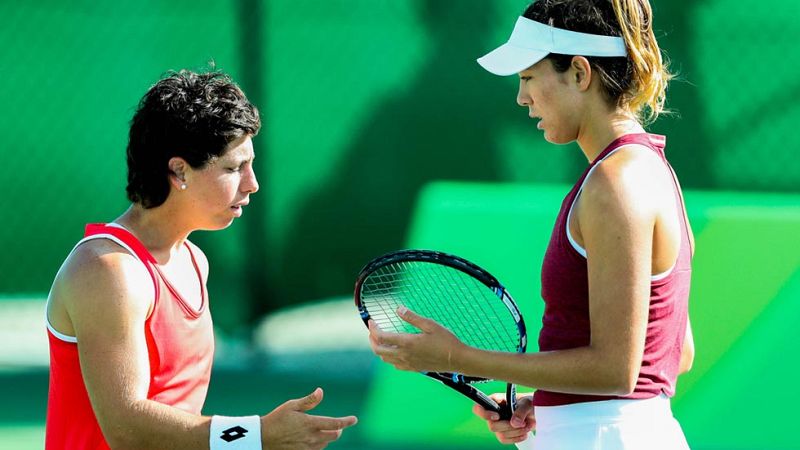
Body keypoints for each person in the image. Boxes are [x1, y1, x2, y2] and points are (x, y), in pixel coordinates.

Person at [367, 0, 694, 448]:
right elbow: (675, 353)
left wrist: (456, 356)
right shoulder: (650, 171)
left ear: (580, 73)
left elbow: (617, 371)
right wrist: (543, 401)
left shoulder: (616, 184)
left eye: (528, 77)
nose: (521, 97)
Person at [45, 69, 357, 450]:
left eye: (250, 163)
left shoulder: (193, 260)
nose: (252, 183)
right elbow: (126, 428)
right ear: (179, 171)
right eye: (233, 168)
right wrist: (255, 435)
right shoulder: (109, 271)